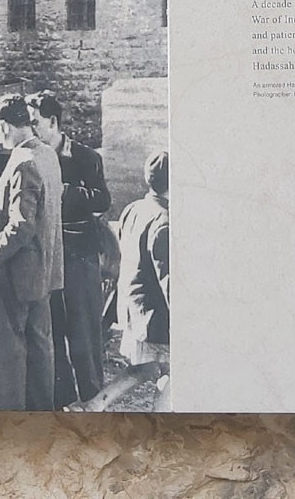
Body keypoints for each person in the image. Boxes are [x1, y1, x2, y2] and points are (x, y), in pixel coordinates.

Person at [33, 94, 110, 406]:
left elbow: (102, 201)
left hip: (78, 258)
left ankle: (94, 401)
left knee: (84, 333)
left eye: (35, 123)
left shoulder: (85, 157)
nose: (32, 130)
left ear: (53, 123)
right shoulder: (32, 157)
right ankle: (63, 402)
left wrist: (68, 193)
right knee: (52, 332)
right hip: (46, 257)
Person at [0, 94, 56, 411]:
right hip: (44, 271)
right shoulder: (48, 154)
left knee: (9, 354)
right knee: (40, 348)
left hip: (18, 272)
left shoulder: (22, 162)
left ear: (4, 125)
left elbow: (22, 224)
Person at [116, 150, 170, 410]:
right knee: (177, 378)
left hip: (134, 311)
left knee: (152, 371)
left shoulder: (135, 208)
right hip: (157, 321)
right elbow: (170, 283)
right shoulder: (165, 223)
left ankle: (94, 405)